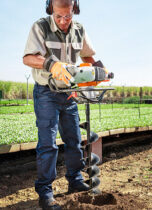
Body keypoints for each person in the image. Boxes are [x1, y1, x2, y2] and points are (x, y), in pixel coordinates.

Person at [23, 0, 101, 209]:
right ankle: (45, 192)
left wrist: (101, 71)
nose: (64, 21)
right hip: (46, 92)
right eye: (58, 16)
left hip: (69, 93)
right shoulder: (40, 27)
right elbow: (28, 58)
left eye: (68, 16)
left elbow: (88, 55)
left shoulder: (79, 30)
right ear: (51, 10)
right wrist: (51, 63)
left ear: (74, 10)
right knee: (48, 144)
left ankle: (75, 180)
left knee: (74, 140)